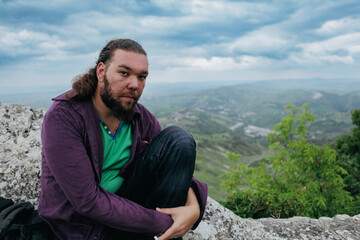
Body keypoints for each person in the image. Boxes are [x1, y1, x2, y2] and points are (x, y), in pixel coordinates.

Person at [38, 39, 207, 240]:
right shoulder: (64, 117)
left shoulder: (140, 118)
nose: (134, 85)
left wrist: (193, 208)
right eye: (124, 73)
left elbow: (171, 167)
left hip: (126, 210)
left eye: (142, 77)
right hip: (83, 226)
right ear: (101, 72)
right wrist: (168, 223)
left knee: (179, 140)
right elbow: (87, 201)